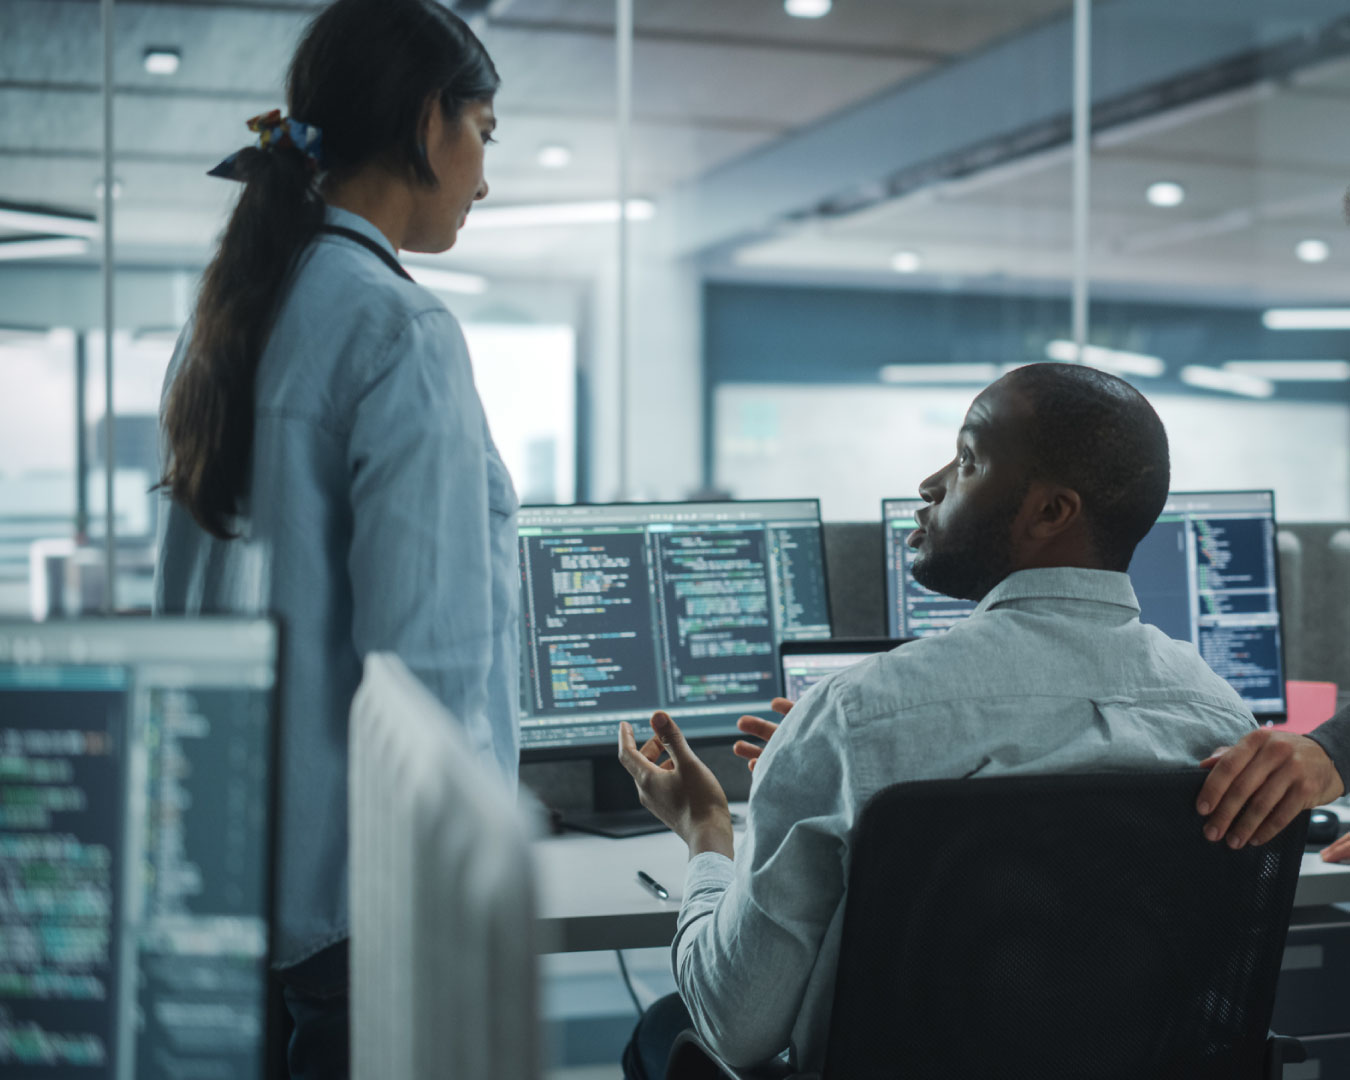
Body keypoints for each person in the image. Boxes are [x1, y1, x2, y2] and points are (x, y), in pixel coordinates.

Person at [617, 362, 1261, 1077]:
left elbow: (735, 1027)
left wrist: (707, 833)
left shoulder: (856, 715)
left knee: (664, 1028)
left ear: (1051, 513)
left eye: (969, 459)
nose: (931, 483)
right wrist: (814, 761)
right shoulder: (1226, 725)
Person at [153, 2, 515, 1075]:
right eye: (482, 132)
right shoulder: (398, 328)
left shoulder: (231, 315)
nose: (485, 177)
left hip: (237, 885)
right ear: (425, 121)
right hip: (366, 908)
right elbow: (427, 668)